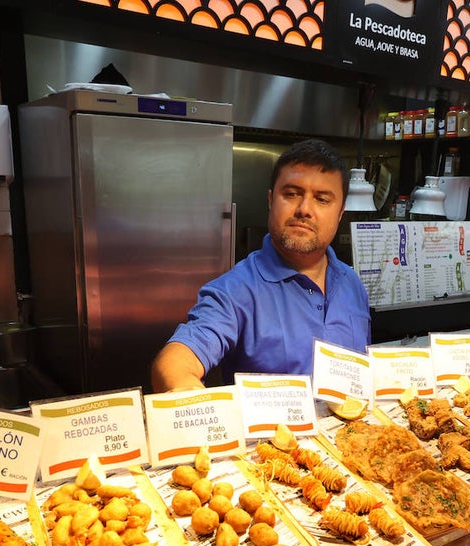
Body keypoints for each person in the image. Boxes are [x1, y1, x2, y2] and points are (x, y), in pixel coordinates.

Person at [151, 139, 371, 392]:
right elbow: (177, 360)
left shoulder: (352, 284)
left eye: (322, 199)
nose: (304, 210)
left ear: (340, 212)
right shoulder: (234, 291)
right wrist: (183, 387)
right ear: (271, 200)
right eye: (291, 194)